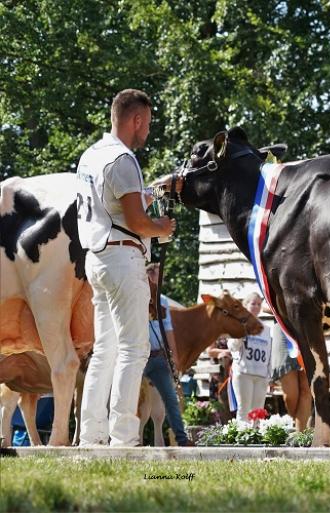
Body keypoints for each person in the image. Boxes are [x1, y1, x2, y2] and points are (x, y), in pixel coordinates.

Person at [77, 89, 175, 447]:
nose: (147, 131)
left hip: (97, 257)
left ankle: (91, 434)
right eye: (146, 124)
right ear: (135, 120)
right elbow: (136, 221)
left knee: (105, 350)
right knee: (135, 349)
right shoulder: (124, 159)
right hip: (122, 258)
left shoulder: (91, 156)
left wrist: (149, 191)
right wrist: (162, 228)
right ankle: (123, 437)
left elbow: (114, 205)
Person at [143, 264, 192, 446]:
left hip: (158, 356)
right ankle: (125, 438)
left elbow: (168, 330)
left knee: (170, 399)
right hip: (138, 356)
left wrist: (175, 358)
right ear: (149, 276)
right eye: (156, 275)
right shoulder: (137, 295)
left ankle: (182, 439)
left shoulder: (162, 301)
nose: (159, 278)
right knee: (132, 399)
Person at [227, 292, 272, 424]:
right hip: (244, 372)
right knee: (243, 410)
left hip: (261, 375)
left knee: (258, 412)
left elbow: (269, 352)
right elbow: (232, 346)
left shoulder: (266, 328)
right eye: (253, 303)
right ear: (245, 305)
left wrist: (269, 375)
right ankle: (242, 440)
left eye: (259, 304)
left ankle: (255, 440)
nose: (257, 306)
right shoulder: (238, 324)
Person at [269, 321, 312, 431]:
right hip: (283, 329)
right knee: (291, 395)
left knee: (306, 391)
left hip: (306, 329)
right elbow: (265, 306)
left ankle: (300, 433)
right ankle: (296, 426)